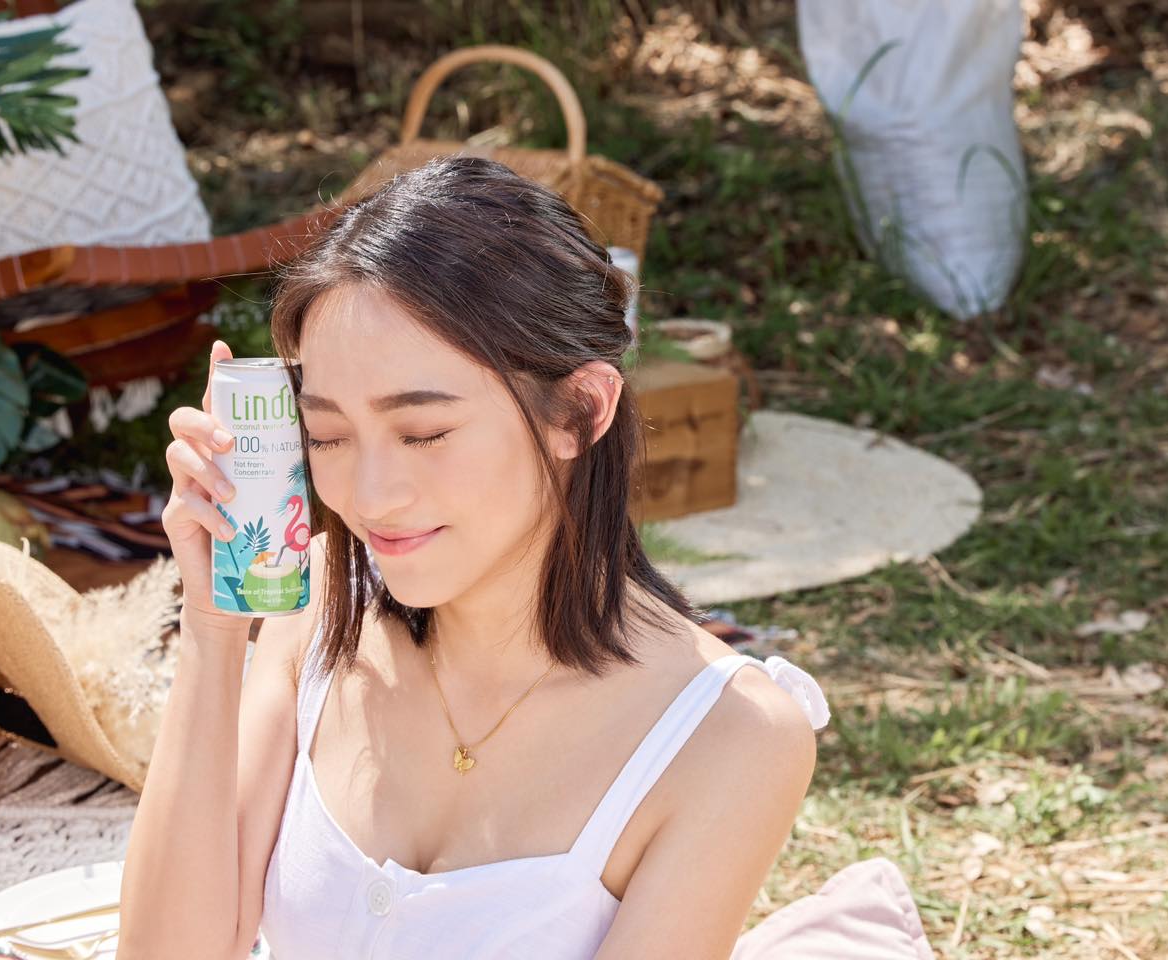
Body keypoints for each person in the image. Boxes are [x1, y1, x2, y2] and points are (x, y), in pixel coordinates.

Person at [117, 157, 827, 960]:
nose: (370, 496)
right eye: (328, 435)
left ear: (579, 410)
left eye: (424, 434)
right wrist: (214, 628)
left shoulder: (727, 738)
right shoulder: (317, 606)